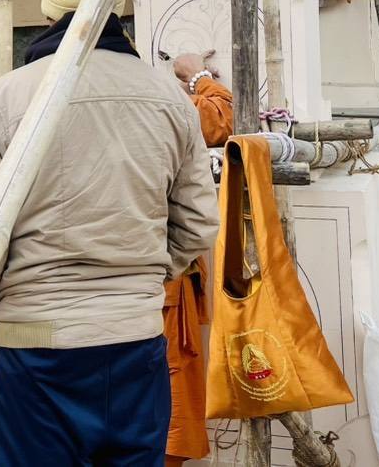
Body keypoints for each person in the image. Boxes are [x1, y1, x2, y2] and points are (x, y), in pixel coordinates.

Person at [0, 0, 218, 466]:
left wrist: (10, 296)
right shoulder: (168, 96)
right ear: (117, 8)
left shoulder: (7, 98)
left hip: (36, 345)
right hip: (134, 340)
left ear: (49, 9)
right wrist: (141, 275)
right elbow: (197, 223)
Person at [164, 50, 233, 467]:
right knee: (167, 387)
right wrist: (198, 76)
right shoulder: (152, 103)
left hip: (78, 286)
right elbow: (218, 120)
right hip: (155, 280)